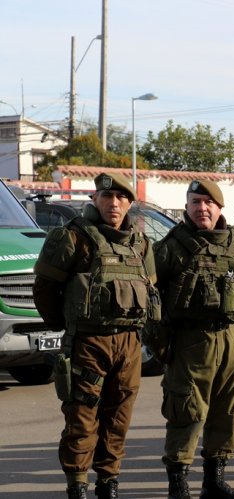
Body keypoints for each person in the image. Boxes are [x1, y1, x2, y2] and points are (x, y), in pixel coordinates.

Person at [33, 172, 159, 499]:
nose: (113, 203)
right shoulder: (73, 237)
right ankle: (77, 486)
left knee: (118, 417)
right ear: (95, 200)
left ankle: (108, 482)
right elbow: (45, 288)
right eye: (106, 197)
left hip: (129, 344)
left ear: (130, 203)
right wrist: (67, 325)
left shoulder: (141, 244)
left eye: (120, 198)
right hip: (88, 343)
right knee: (82, 417)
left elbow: (150, 289)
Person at [154, 179, 234, 499]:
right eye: (196, 202)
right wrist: (161, 343)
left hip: (230, 338)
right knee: (186, 410)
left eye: (208, 203)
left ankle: (214, 480)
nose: (202, 208)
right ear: (187, 207)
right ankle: (179, 485)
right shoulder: (172, 246)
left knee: (227, 409)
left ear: (219, 208)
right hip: (190, 340)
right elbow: (151, 296)